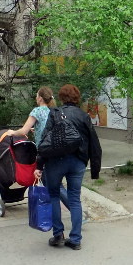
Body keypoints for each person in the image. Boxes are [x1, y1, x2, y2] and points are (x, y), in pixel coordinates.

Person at [35, 84, 102, 250]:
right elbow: (94, 143)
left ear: (61, 97)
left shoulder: (55, 113)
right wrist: (95, 170)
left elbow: (45, 141)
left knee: (54, 196)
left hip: (55, 162)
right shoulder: (83, 116)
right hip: (77, 162)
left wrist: (39, 165)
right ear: (77, 97)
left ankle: (58, 235)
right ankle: (75, 239)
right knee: (74, 198)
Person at [5, 86, 72, 212]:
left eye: (37, 96)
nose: (36, 98)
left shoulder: (37, 111)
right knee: (51, 184)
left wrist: (12, 132)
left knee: (56, 186)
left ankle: (77, 212)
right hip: (57, 151)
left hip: (44, 152)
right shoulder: (54, 110)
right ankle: (53, 214)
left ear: (40, 98)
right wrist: (36, 130)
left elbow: (23, 130)